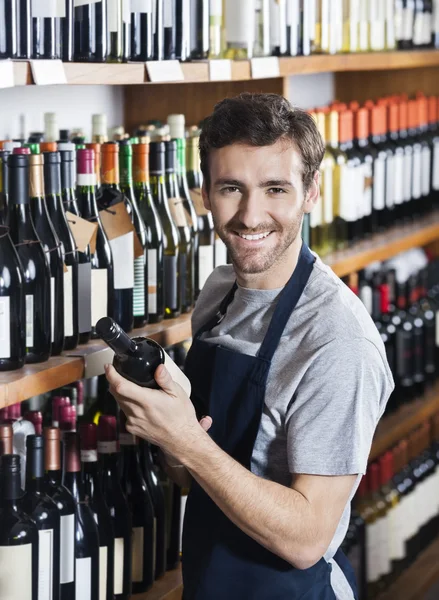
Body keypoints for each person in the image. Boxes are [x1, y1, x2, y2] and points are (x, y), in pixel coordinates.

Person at [105, 93, 394, 599]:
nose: (250, 215)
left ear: (310, 193)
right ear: (205, 194)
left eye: (275, 189)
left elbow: (307, 539)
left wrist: (188, 442)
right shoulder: (219, 292)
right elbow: (196, 477)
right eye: (231, 188)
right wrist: (169, 423)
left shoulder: (337, 341)